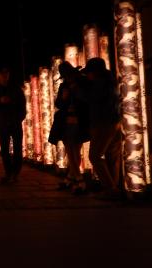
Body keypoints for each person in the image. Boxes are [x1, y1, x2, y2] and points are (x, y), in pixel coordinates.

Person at [81, 57, 122, 200]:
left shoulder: (100, 83)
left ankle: (111, 189)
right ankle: (113, 188)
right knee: (112, 156)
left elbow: (91, 99)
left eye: (89, 73)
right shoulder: (111, 80)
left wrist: (81, 88)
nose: (88, 75)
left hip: (103, 123)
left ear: (95, 72)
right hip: (114, 122)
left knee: (95, 156)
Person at [49, 61, 90, 195]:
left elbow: (86, 100)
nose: (67, 78)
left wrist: (75, 89)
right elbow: (59, 104)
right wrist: (64, 97)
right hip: (66, 121)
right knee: (70, 149)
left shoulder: (82, 83)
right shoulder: (63, 86)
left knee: (75, 150)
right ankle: (72, 178)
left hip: (79, 120)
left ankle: (78, 179)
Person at [0, 67, 26, 184]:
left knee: (17, 148)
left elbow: (23, 104)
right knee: (4, 150)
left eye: (7, 73)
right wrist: (0, 101)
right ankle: (8, 173)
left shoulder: (16, 89)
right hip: (3, 124)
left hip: (15, 122)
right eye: (2, 73)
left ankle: (15, 173)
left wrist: (19, 117)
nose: (5, 75)